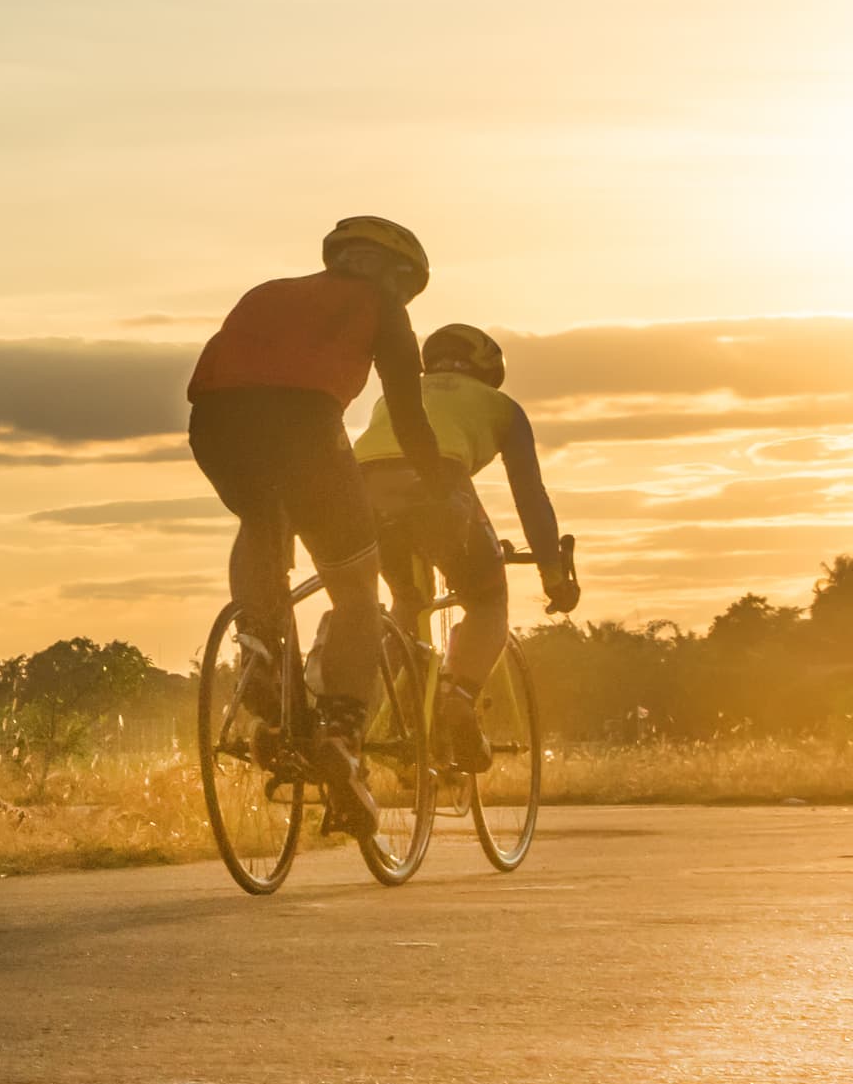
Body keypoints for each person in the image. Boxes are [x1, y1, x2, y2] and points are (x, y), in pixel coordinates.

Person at [185, 216, 451, 845]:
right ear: (397, 276)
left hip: (215, 425)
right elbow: (408, 413)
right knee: (357, 591)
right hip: (305, 426)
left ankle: (259, 645)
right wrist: (438, 488)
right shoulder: (382, 304)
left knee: (260, 515)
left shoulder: (268, 291)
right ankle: (340, 730)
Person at [355, 322, 579, 771]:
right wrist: (554, 575)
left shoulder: (393, 395)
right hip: (436, 486)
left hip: (360, 488)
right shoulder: (501, 406)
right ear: (488, 366)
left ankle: (356, 708)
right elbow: (530, 495)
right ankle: (457, 699)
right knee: (487, 599)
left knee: (407, 600)